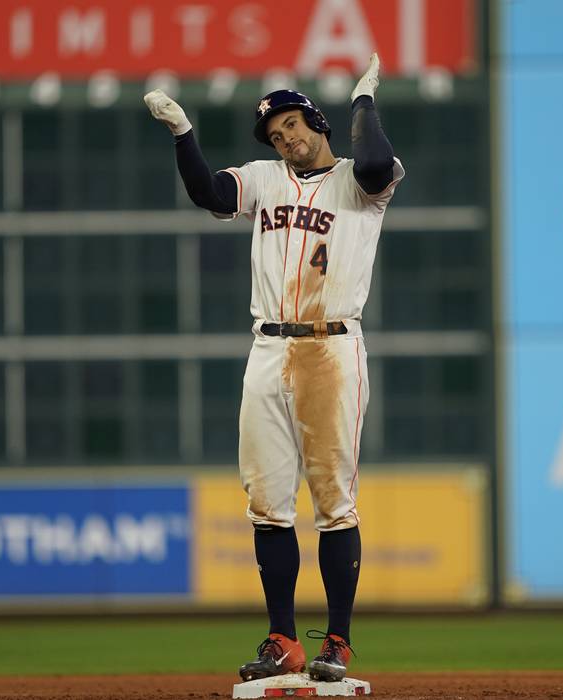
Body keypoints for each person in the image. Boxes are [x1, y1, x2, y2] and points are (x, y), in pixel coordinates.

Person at [145, 54, 403, 683]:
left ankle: (337, 641)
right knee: (266, 502)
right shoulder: (264, 178)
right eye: (275, 133)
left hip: (332, 346)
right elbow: (210, 193)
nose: (285, 138)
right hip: (267, 348)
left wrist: (364, 101)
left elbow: (371, 164)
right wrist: (185, 136)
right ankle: (282, 637)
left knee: (335, 503)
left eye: (291, 124)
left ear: (316, 120)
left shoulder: (361, 182)